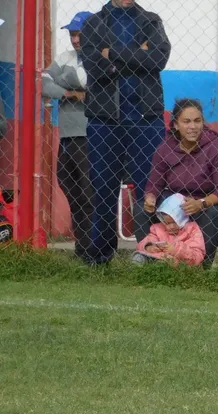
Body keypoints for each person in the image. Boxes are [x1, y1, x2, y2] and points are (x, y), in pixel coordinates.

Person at [80, 0, 170, 265]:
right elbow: (95, 67)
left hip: (145, 119)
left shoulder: (151, 21)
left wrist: (113, 53)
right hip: (104, 121)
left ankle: (151, 253)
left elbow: (158, 59)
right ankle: (100, 256)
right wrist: (138, 55)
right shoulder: (93, 23)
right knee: (103, 190)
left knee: (150, 191)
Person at [135, 99, 218, 268]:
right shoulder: (165, 148)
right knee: (141, 209)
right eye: (186, 121)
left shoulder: (217, 148)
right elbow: (155, 183)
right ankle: (150, 258)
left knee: (210, 214)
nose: (193, 126)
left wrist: (201, 203)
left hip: (213, 203)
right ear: (176, 125)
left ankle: (200, 269)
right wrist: (151, 197)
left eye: (197, 121)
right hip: (177, 204)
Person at [41, 11, 93, 259]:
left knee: (89, 192)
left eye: (79, 34)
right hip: (68, 136)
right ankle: (82, 244)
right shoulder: (66, 57)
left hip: (90, 135)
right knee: (68, 185)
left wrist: (64, 79)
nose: (74, 40)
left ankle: (93, 248)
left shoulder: (102, 58)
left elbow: (85, 81)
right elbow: (43, 83)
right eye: (72, 34)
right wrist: (69, 92)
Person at [133, 193, 205, 267]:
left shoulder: (192, 230)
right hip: (157, 256)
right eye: (167, 223)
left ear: (183, 219)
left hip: (178, 261)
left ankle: (159, 267)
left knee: (165, 263)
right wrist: (149, 247)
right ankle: (145, 264)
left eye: (175, 222)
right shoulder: (158, 228)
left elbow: (198, 256)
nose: (171, 227)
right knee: (139, 257)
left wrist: (176, 250)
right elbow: (143, 243)